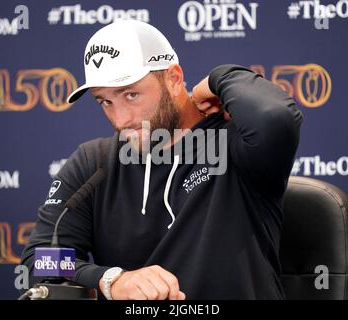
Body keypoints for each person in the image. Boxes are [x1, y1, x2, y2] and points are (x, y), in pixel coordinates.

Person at [21, 19, 303, 300]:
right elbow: (40, 261)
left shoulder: (234, 145)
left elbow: (273, 117)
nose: (120, 120)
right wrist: (110, 279)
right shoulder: (94, 162)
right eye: (105, 101)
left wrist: (219, 78)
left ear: (174, 79)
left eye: (131, 94)